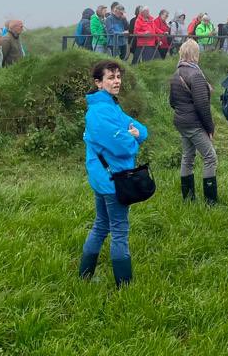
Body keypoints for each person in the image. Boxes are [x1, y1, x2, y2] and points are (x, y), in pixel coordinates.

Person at [78, 60, 149, 287]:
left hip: (104, 178)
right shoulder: (99, 113)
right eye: (110, 77)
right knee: (118, 230)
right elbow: (124, 146)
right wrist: (133, 139)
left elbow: (141, 129)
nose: (116, 81)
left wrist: (135, 134)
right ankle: (124, 285)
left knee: (101, 224)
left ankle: (85, 276)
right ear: (98, 83)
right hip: (113, 181)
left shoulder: (111, 106)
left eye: (118, 76)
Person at [168, 39, 218, 204]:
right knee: (210, 157)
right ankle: (211, 201)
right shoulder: (196, 74)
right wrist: (209, 128)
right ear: (196, 54)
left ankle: (188, 199)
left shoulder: (176, 73)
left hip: (181, 121)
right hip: (193, 123)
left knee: (187, 157)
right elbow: (202, 106)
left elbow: (172, 102)